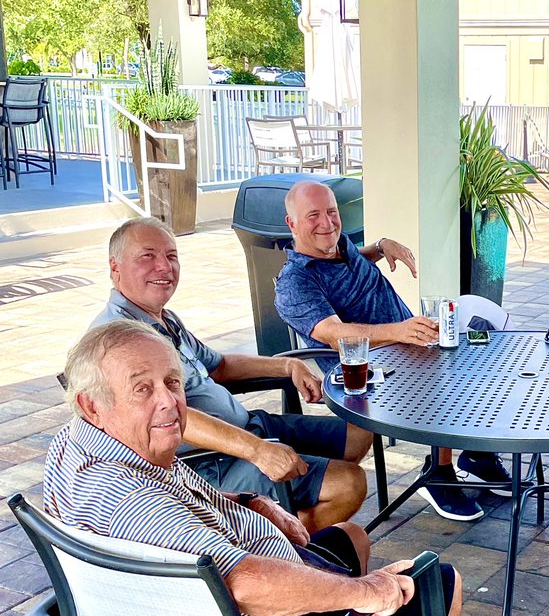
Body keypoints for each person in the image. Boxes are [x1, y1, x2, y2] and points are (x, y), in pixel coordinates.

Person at [45, 319, 504, 616]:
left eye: (172, 382)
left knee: (351, 537)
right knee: (433, 582)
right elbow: (245, 585)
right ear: (91, 403)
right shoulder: (133, 503)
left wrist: (249, 502)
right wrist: (367, 592)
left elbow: (176, 512)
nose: (169, 402)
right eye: (142, 389)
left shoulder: (80, 446)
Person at [92, 218, 368, 533]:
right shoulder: (120, 339)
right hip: (210, 461)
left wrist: (287, 366)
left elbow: (220, 366)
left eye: (171, 256)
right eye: (148, 256)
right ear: (115, 267)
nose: (164, 267)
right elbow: (163, 416)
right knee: (348, 484)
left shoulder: (164, 320)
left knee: (358, 434)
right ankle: (272, 544)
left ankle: (279, 522)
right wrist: (257, 450)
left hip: (247, 427)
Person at [274, 180, 511, 522]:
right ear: (292, 223)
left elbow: (352, 262)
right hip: (366, 373)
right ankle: (438, 473)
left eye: (332, 212)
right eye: (314, 216)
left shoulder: (337, 246)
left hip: (409, 345)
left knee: (485, 342)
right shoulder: (295, 282)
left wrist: (381, 247)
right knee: (449, 370)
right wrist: (399, 331)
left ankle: (476, 454)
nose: (327, 223)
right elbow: (335, 335)